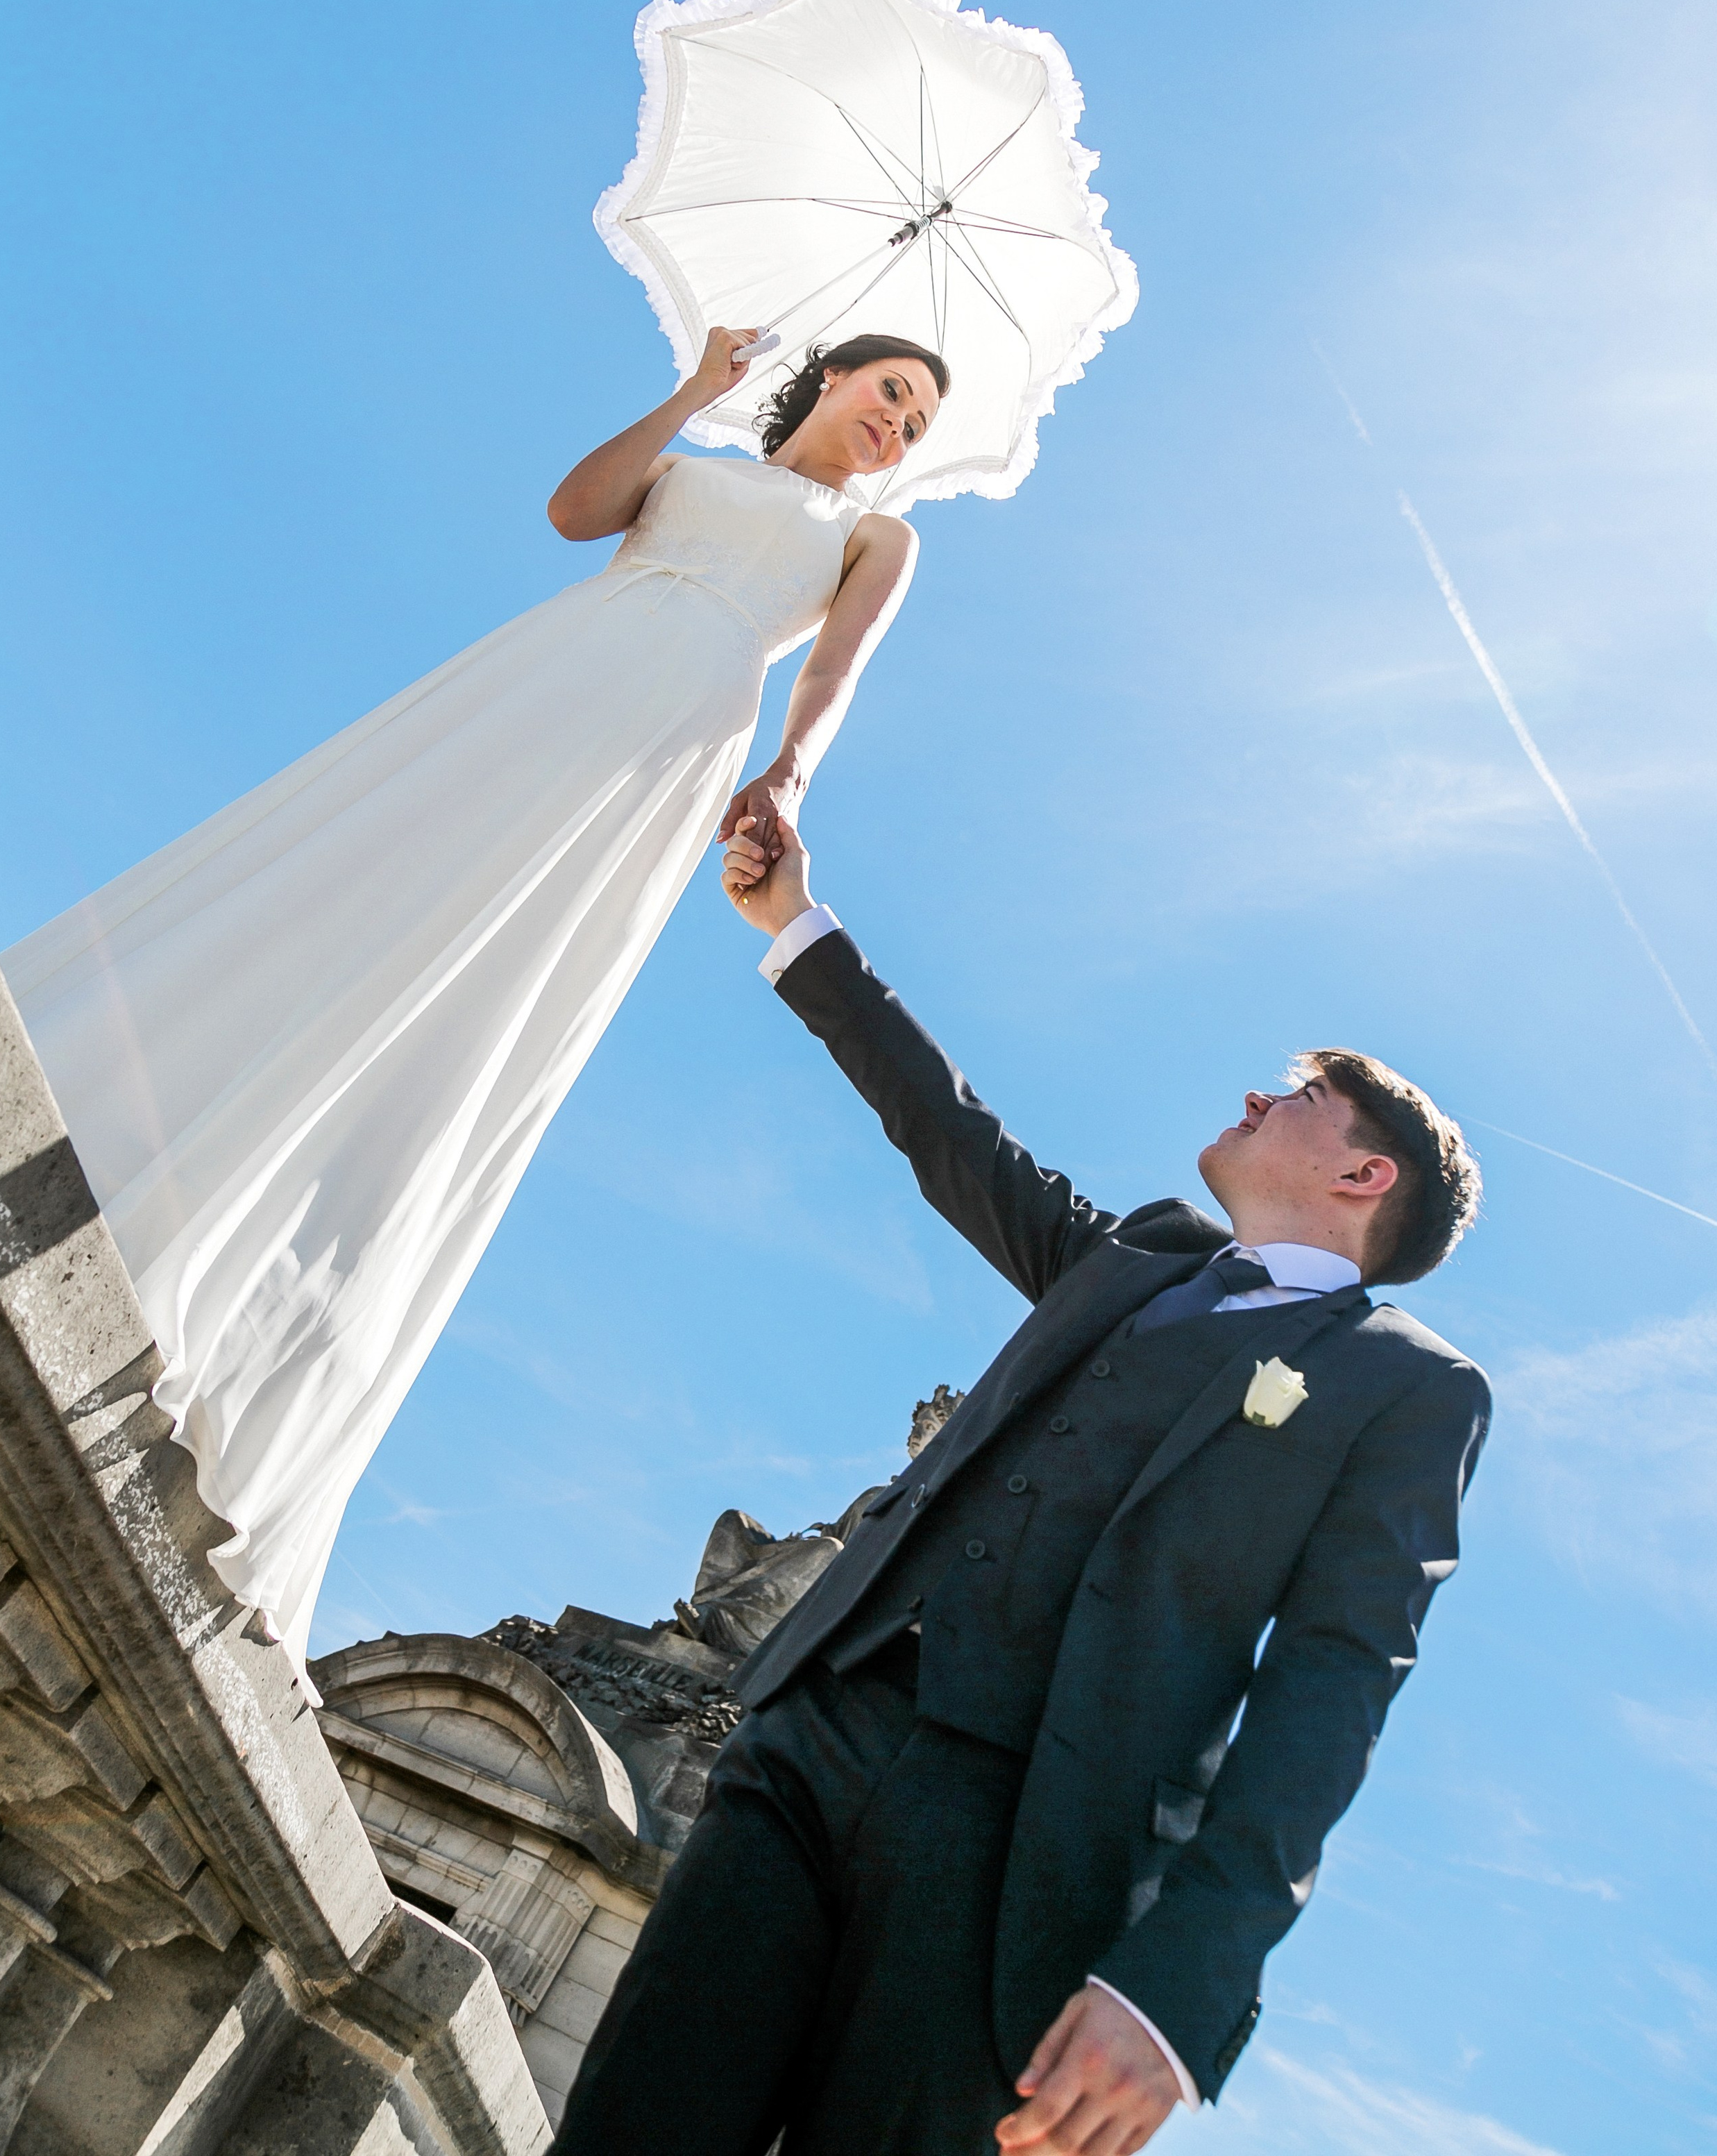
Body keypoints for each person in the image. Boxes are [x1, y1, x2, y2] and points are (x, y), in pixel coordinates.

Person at [1, 326, 947, 1670]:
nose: (896, 427)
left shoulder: (877, 540)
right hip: (566, 654)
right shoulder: (690, 456)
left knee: (488, 948)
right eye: (888, 393)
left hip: (682, 708)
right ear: (833, 380)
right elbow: (574, 513)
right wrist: (697, 393)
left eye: (916, 421)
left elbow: (832, 667)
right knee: (363, 857)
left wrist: (786, 774)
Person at [552, 818, 1491, 2156]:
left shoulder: (1408, 1388)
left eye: (1294, 1096)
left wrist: (1178, 1992)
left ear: (1363, 1173)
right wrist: (799, 931)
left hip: (1020, 1863)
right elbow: (955, 1138)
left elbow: (1332, 1688)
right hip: (813, 1737)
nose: (1253, 1097)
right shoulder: (1138, 1258)